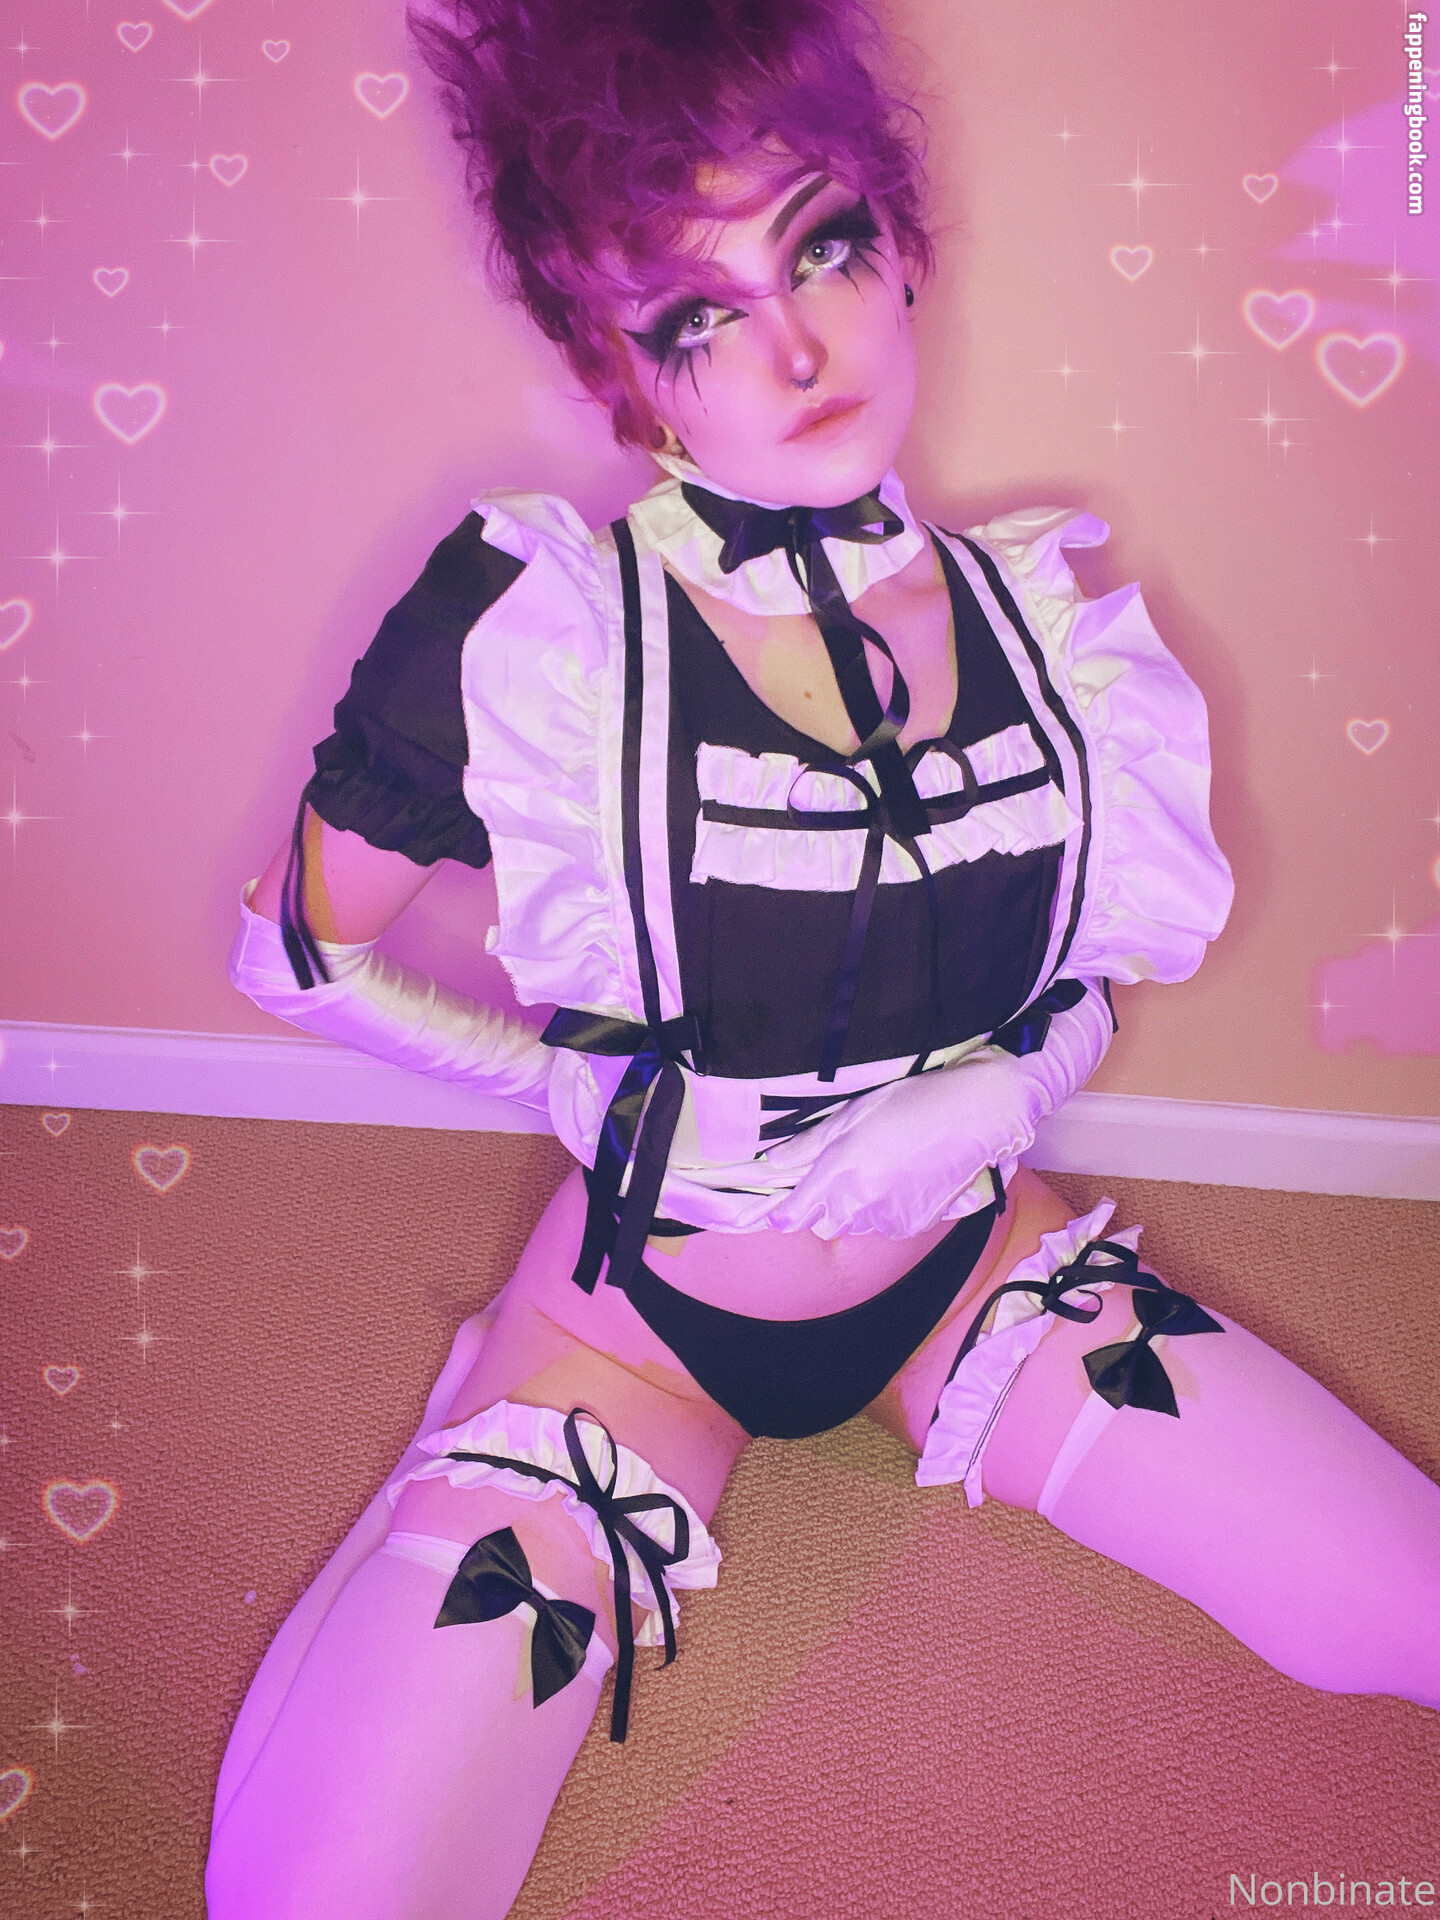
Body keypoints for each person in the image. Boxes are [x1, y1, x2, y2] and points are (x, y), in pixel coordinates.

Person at [204, 2, 1440, 1914]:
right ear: (619, 366)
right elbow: (293, 958)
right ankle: (467, 1442)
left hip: (973, 1270)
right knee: (334, 1893)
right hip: (633, 1330)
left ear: (900, 240)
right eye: (696, 317)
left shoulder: (1049, 622)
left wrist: (1003, 1092)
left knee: (1401, 1607)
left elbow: (1090, 961)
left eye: (825, 247)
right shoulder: (541, 629)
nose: (792, 350)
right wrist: (595, 1096)